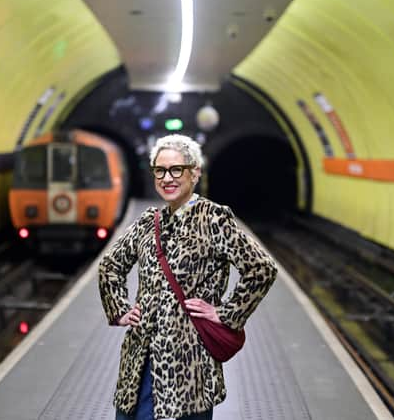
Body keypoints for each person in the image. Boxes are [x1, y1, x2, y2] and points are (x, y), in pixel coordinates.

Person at [98, 134, 277, 420]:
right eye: (160, 170)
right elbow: (110, 265)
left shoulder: (214, 220)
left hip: (189, 365)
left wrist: (227, 314)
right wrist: (119, 309)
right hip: (140, 359)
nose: (167, 178)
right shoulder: (148, 222)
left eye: (176, 169)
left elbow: (262, 269)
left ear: (195, 172)